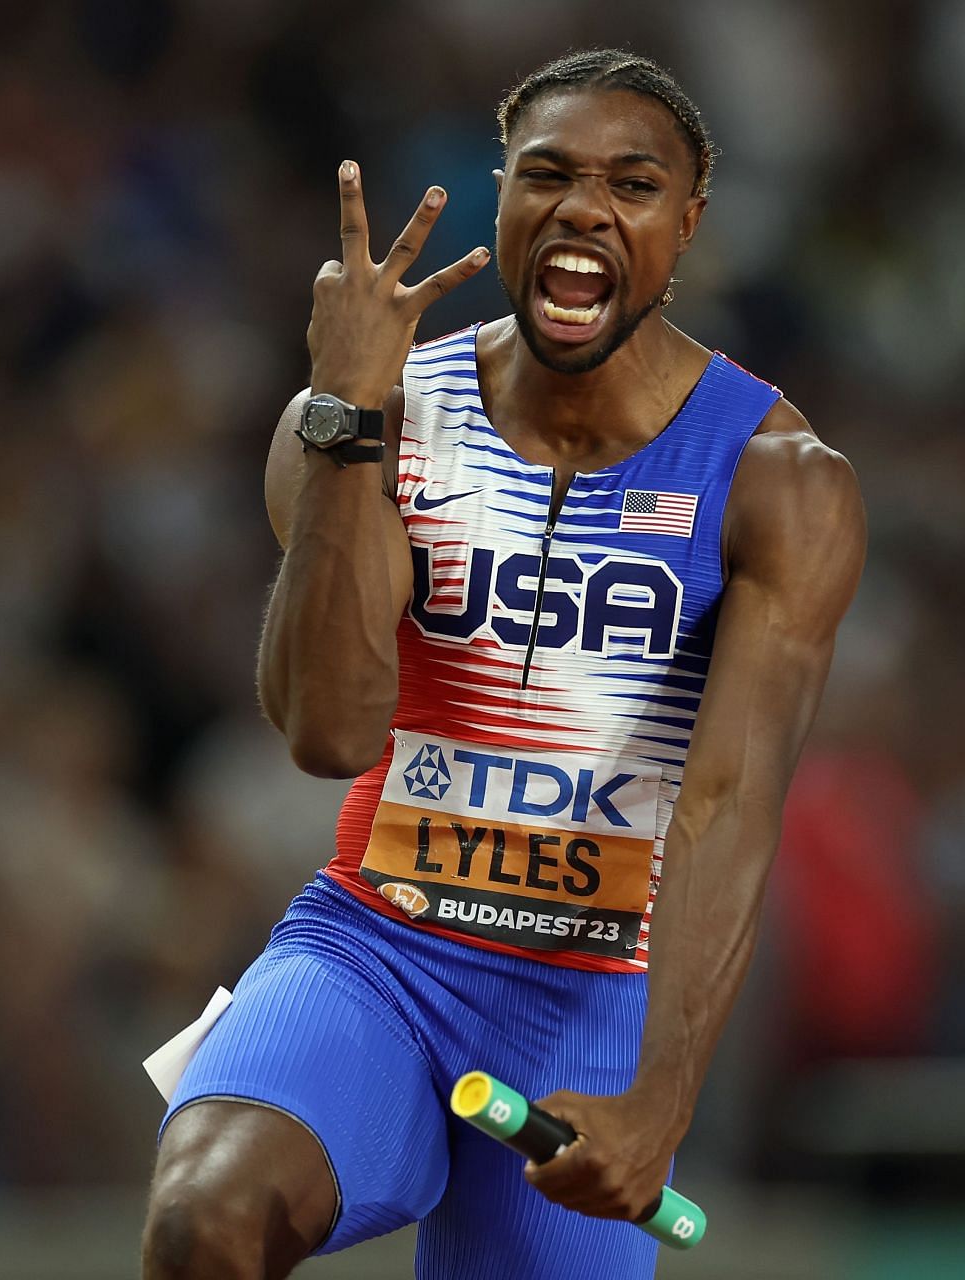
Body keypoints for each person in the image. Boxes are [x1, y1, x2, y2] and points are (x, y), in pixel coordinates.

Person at [142, 48, 865, 1280]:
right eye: (550, 175)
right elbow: (326, 730)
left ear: (686, 227)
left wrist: (662, 1096)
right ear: (503, 199)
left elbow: (729, 806)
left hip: (590, 1002)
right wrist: (347, 421)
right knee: (206, 1217)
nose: (584, 207)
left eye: (632, 186)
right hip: (377, 946)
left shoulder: (775, 480)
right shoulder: (380, 411)